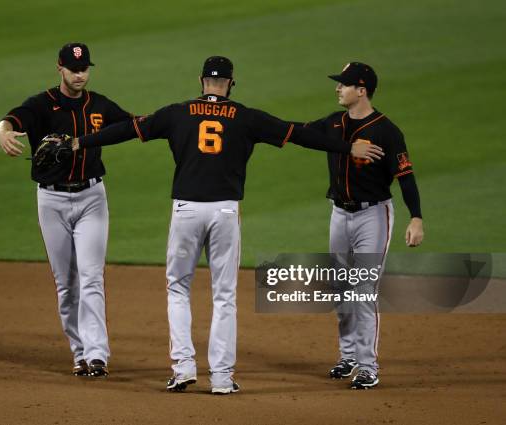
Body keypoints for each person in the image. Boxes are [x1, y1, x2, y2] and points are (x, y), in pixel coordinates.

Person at [68, 56, 383, 394]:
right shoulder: (247, 117)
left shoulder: (177, 112)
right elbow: (300, 136)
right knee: (225, 296)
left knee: (178, 289)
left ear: (202, 81)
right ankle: (220, 378)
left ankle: (184, 368)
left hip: (186, 210)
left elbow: (125, 130)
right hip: (226, 213)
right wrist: (348, 146)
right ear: (230, 84)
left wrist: (77, 143)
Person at [0, 43, 133, 377]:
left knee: (90, 277)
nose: (80, 74)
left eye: (85, 68)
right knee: (66, 284)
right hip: (51, 201)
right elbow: (13, 119)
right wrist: (2, 130)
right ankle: (80, 351)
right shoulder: (42, 104)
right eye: (74, 69)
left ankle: (98, 354)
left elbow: (132, 124)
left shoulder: (99, 104)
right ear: (60, 68)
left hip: (91, 198)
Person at [303, 62, 424, 389]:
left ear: (362, 90)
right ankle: (349, 357)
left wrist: (416, 216)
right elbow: (300, 133)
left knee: (364, 289)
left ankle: (368, 367)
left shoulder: (386, 130)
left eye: (343, 84)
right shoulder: (333, 123)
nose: (337, 88)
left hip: (374, 216)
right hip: (339, 215)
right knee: (341, 289)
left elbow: (405, 176)